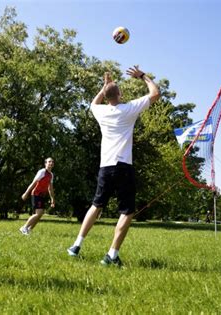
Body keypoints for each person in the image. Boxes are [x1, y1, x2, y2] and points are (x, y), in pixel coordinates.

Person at [67, 66, 160, 266]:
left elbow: (94, 102)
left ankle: (76, 245)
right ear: (120, 94)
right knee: (127, 211)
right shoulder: (128, 109)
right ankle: (112, 255)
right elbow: (155, 93)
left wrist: (104, 87)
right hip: (123, 165)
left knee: (96, 205)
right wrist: (142, 75)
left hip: (105, 166)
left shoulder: (100, 112)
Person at [19, 157, 55, 235]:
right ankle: (24, 227)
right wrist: (26, 193)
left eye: (52, 162)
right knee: (39, 213)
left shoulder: (51, 175)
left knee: (39, 214)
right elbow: (33, 183)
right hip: (36, 194)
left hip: (42, 195)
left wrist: (52, 199)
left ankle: (29, 229)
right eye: (49, 162)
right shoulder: (42, 172)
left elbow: (50, 188)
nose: (51, 163)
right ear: (45, 164)